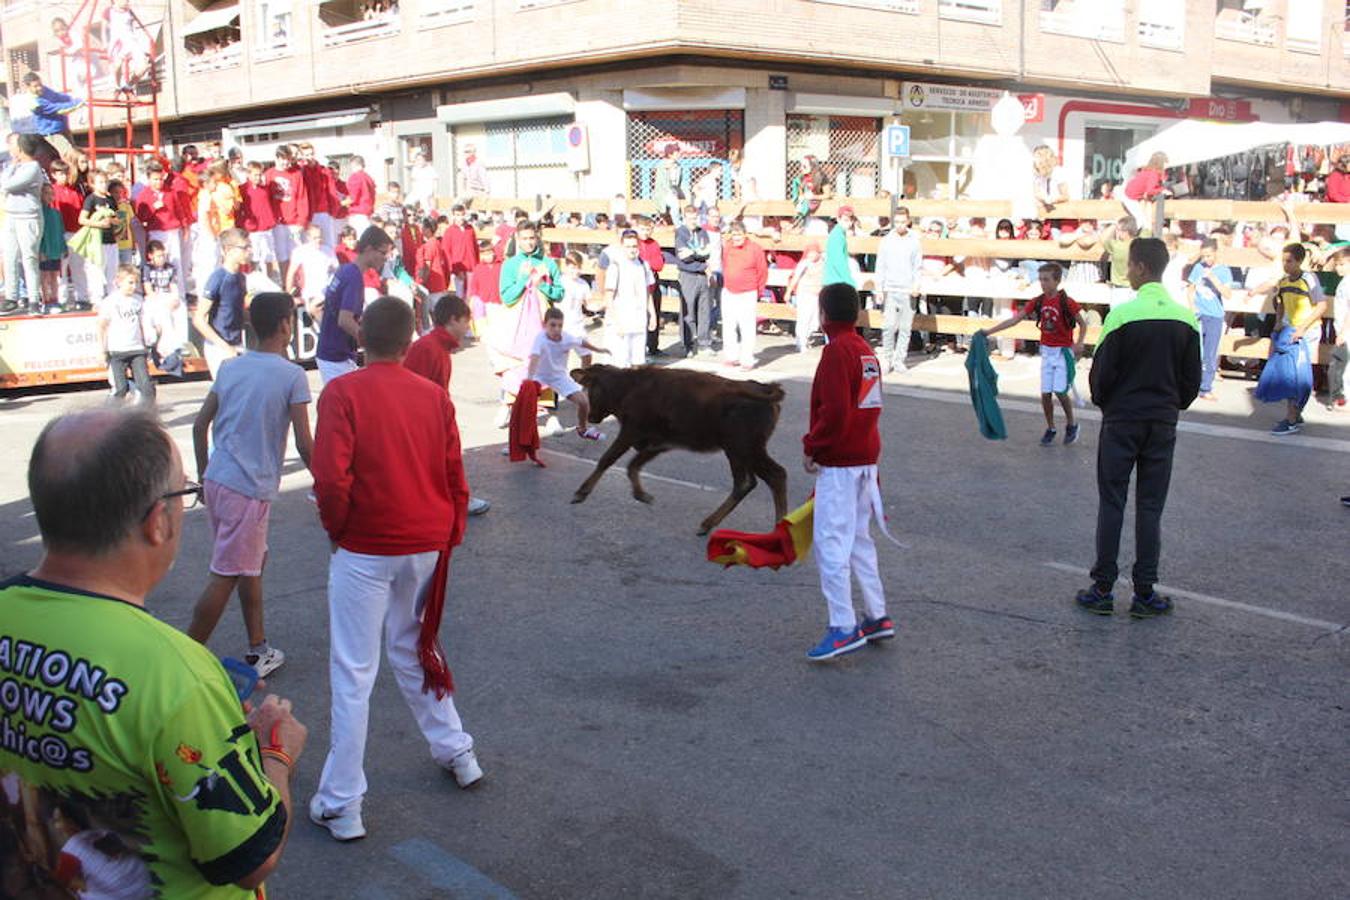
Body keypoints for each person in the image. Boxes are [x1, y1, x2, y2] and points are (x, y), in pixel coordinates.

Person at [5, 407, 306, 894]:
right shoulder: (178, 676)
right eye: (185, 495)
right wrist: (276, 751)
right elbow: (251, 856)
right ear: (156, 522)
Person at [311, 297, 481, 842]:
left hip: (367, 544)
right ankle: (457, 751)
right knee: (414, 646)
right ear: (411, 340)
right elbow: (454, 468)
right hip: (424, 540)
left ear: (362, 337)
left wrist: (339, 530)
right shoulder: (432, 396)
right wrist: (449, 529)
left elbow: (330, 478)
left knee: (355, 672)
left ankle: (343, 801)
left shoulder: (343, 392)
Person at [187, 290, 312, 679]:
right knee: (226, 573)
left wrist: (205, 476)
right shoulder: (291, 375)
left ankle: (258, 647)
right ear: (284, 325)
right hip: (248, 489)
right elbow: (305, 443)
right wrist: (328, 483)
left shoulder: (231, 367)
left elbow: (199, 425)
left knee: (249, 564)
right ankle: (185, 656)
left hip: (221, 479)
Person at [1078, 237, 1200, 619]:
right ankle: (1145, 591)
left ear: (1141, 268)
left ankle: (1102, 588)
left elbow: (1101, 379)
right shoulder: (1185, 317)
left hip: (1122, 420)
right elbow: (1191, 382)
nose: (1127, 271)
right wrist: (1169, 404)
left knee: (1112, 501)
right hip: (1162, 420)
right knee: (1151, 506)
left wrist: (1111, 405)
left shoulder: (1121, 315)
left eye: (1129, 265)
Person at [801, 283, 890, 661]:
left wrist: (813, 445)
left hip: (841, 462)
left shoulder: (836, 352)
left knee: (831, 542)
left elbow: (834, 412)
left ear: (824, 315)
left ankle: (843, 624)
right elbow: (868, 406)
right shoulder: (865, 350)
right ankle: (876, 614)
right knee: (858, 540)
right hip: (865, 457)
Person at [403, 293, 491, 516]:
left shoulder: (435, 346)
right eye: (465, 321)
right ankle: (455, 499)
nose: (467, 327)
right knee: (445, 459)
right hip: (425, 417)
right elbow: (417, 388)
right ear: (453, 320)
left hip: (430, 415)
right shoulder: (429, 347)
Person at [981, 263, 1087, 445]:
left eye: (1047, 280)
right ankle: (1051, 427)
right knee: (1045, 392)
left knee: (1060, 391)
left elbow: (1082, 323)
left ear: (1057, 281)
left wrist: (1079, 342)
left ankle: (1071, 424)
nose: (1043, 284)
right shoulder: (1038, 301)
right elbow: (1015, 319)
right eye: (1041, 280)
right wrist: (989, 331)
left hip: (1062, 352)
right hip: (1047, 351)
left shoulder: (1066, 301)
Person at [316, 225, 393, 384]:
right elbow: (345, 320)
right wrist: (372, 344)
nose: (386, 258)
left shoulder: (345, 270)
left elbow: (323, 308)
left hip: (332, 352)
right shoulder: (354, 277)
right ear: (369, 249)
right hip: (337, 357)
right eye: (383, 253)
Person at [1270, 242, 1328, 435]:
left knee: (1297, 376)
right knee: (1290, 374)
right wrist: (1279, 321)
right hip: (1290, 330)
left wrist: (1303, 327)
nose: (1285, 265)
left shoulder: (1309, 279)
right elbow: (1281, 303)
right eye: (1283, 261)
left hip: (1307, 332)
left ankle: (1292, 418)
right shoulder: (1284, 281)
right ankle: (1295, 413)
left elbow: (1321, 305)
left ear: (1300, 261)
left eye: (1289, 261)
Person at [528, 306, 606, 439]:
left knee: (583, 401)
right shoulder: (540, 338)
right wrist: (529, 378)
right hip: (539, 376)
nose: (557, 329)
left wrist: (599, 350)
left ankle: (582, 429)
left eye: (560, 325)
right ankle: (519, 439)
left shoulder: (567, 337)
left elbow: (583, 345)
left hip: (558, 377)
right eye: (553, 325)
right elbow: (534, 357)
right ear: (544, 325)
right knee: (525, 406)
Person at [194, 228, 252, 378]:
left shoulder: (241, 278)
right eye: (244, 248)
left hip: (237, 343)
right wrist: (224, 347)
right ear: (229, 250)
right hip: (219, 346)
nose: (249, 251)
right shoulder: (218, 278)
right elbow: (199, 319)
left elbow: (236, 311)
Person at [873, 207, 923, 373]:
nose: (900, 225)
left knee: (905, 327)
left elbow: (917, 266)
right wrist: (878, 289)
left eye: (903, 222)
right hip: (890, 288)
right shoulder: (887, 240)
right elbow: (880, 265)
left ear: (908, 221)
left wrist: (916, 285)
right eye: (897, 222)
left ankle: (899, 359)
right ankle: (887, 358)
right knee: (888, 326)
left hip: (908, 289)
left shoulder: (914, 240)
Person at [97, 264, 155, 403]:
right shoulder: (110, 302)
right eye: (130, 282)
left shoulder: (138, 300)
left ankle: (145, 419)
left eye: (136, 282)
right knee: (120, 389)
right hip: (117, 351)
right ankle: (107, 419)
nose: (133, 286)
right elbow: (101, 327)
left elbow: (143, 323)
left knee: (146, 388)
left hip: (136, 349)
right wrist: (102, 351)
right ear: (119, 281)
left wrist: (148, 343)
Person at [1185, 238, 1234, 401]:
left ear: (1216, 253)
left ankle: (1206, 387)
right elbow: (1190, 288)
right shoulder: (1198, 268)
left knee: (1210, 353)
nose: (1206, 260)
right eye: (1203, 256)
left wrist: (1214, 279)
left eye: (1209, 256)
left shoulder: (1223, 271)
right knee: (1195, 350)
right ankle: (1191, 384)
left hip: (1214, 315)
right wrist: (1192, 307)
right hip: (1199, 313)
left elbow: (1228, 294)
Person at [2, 133, 45, 316]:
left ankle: (34, 300)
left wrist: (9, 172)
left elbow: (8, 184)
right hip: (12, 216)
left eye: (14, 146)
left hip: (28, 217)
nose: (11, 149)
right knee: (10, 257)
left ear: (21, 148)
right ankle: (12, 298)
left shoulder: (33, 167)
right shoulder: (15, 166)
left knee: (29, 259)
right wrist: (12, 165)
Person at [134, 160, 188, 298]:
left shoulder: (170, 192)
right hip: (156, 231)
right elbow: (141, 217)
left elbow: (179, 210)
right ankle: (156, 290)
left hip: (172, 230)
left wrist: (184, 226)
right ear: (149, 179)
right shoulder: (144, 195)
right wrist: (153, 208)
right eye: (155, 179)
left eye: (160, 179)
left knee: (175, 260)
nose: (158, 182)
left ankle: (179, 293)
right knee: (157, 261)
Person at [601, 229, 655, 368]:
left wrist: (652, 315)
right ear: (622, 246)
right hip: (621, 321)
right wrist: (615, 321)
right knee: (620, 365)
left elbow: (647, 292)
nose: (632, 249)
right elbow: (609, 297)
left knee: (638, 362)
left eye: (634, 246)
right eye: (628, 246)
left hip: (639, 320)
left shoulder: (644, 265)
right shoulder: (616, 266)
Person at [720, 220, 768, 369]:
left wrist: (758, 291)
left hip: (748, 292)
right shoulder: (728, 247)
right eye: (734, 235)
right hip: (729, 290)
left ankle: (747, 359)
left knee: (747, 326)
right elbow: (724, 264)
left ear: (745, 234)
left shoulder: (755, 249)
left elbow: (762, 271)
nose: (736, 239)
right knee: (728, 325)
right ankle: (731, 356)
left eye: (739, 235)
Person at [673, 205, 715, 357]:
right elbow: (684, 256)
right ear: (684, 218)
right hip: (688, 275)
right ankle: (687, 344)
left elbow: (707, 252)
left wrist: (696, 255)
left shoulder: (702, 232)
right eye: (690, 218)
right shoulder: (680, 233)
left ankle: (704, 343)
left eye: (695, 218)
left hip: (702, 273)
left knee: (704, 310)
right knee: (688, 311)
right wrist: (700, 257)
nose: (693, 221)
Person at [14, 72, 83, 162]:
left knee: (76, 152)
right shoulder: (34, 103)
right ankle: (71, 174)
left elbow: (57, 97)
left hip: (62, 127)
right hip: (52, 132)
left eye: (40, 85)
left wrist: (72, 99)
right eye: (35, 86)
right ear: (28, 87)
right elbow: (56, 108)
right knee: (69, 154)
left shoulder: (45, 90)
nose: (39, 88)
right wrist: (75, 104)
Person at [79, 169, 120, 302]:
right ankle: (96, 298)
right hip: (97, 241)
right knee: (96, 270)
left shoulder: (110, 199)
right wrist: (99, 223)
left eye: (105, 182)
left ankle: (113, 296)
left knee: (112, 270)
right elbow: (82, 219)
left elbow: (118, 218)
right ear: (92, 184)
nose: (104, 185)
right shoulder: (91, 199)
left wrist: (113, 220)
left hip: (111, 239)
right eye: (100, 182)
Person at [286, 223, 338, 319]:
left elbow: (337, 271)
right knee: (314, 307)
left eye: (320, 237)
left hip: (326, 291)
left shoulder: (328, 250)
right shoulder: (300, 251)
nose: (318, 240)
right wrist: (289, 295)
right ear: (308, 238)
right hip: (309, 293)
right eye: (315, 238)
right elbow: (291, 273)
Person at [240, 161, 280, 281]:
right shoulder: (243, 190)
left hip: (266, 227)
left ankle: (270, 280)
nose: (258, 177)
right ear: (248, 174)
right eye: (255, 175)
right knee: (254, 257)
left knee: (268, 256)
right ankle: (254, 281)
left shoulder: (265, 189)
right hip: (253, 229)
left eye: (259, 175)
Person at [785, 239, 825, 352]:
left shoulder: (824, 262)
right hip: (805, 293)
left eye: (814, 252)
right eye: (809, 253)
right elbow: (795, 277)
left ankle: (806, 336)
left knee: (816, 321)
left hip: (818, 293)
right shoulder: (804, 263)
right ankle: (801, 342)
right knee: (804, 317)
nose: (811, 255)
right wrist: (788, 292)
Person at [440, 203, 478, 296]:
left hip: (471, 267)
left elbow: (475, 248)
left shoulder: (470, 229)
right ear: (453, 216)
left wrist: (477, 265)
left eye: (462, 215)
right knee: (460, 294)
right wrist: (455, 270)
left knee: (471, 294)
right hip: (458, 269)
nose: (460, 218)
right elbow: (446, 253)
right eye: (457, 215)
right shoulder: (449, 231)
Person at [1328, 248, 1349, 411]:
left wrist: (1343, 332)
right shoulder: (1344, 282)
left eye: (1342, 264)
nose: (1338, 268)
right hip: (1342, 327)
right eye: (1336, 265)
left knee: (1344, 366)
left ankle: (1345, 399)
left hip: (1346, 329)